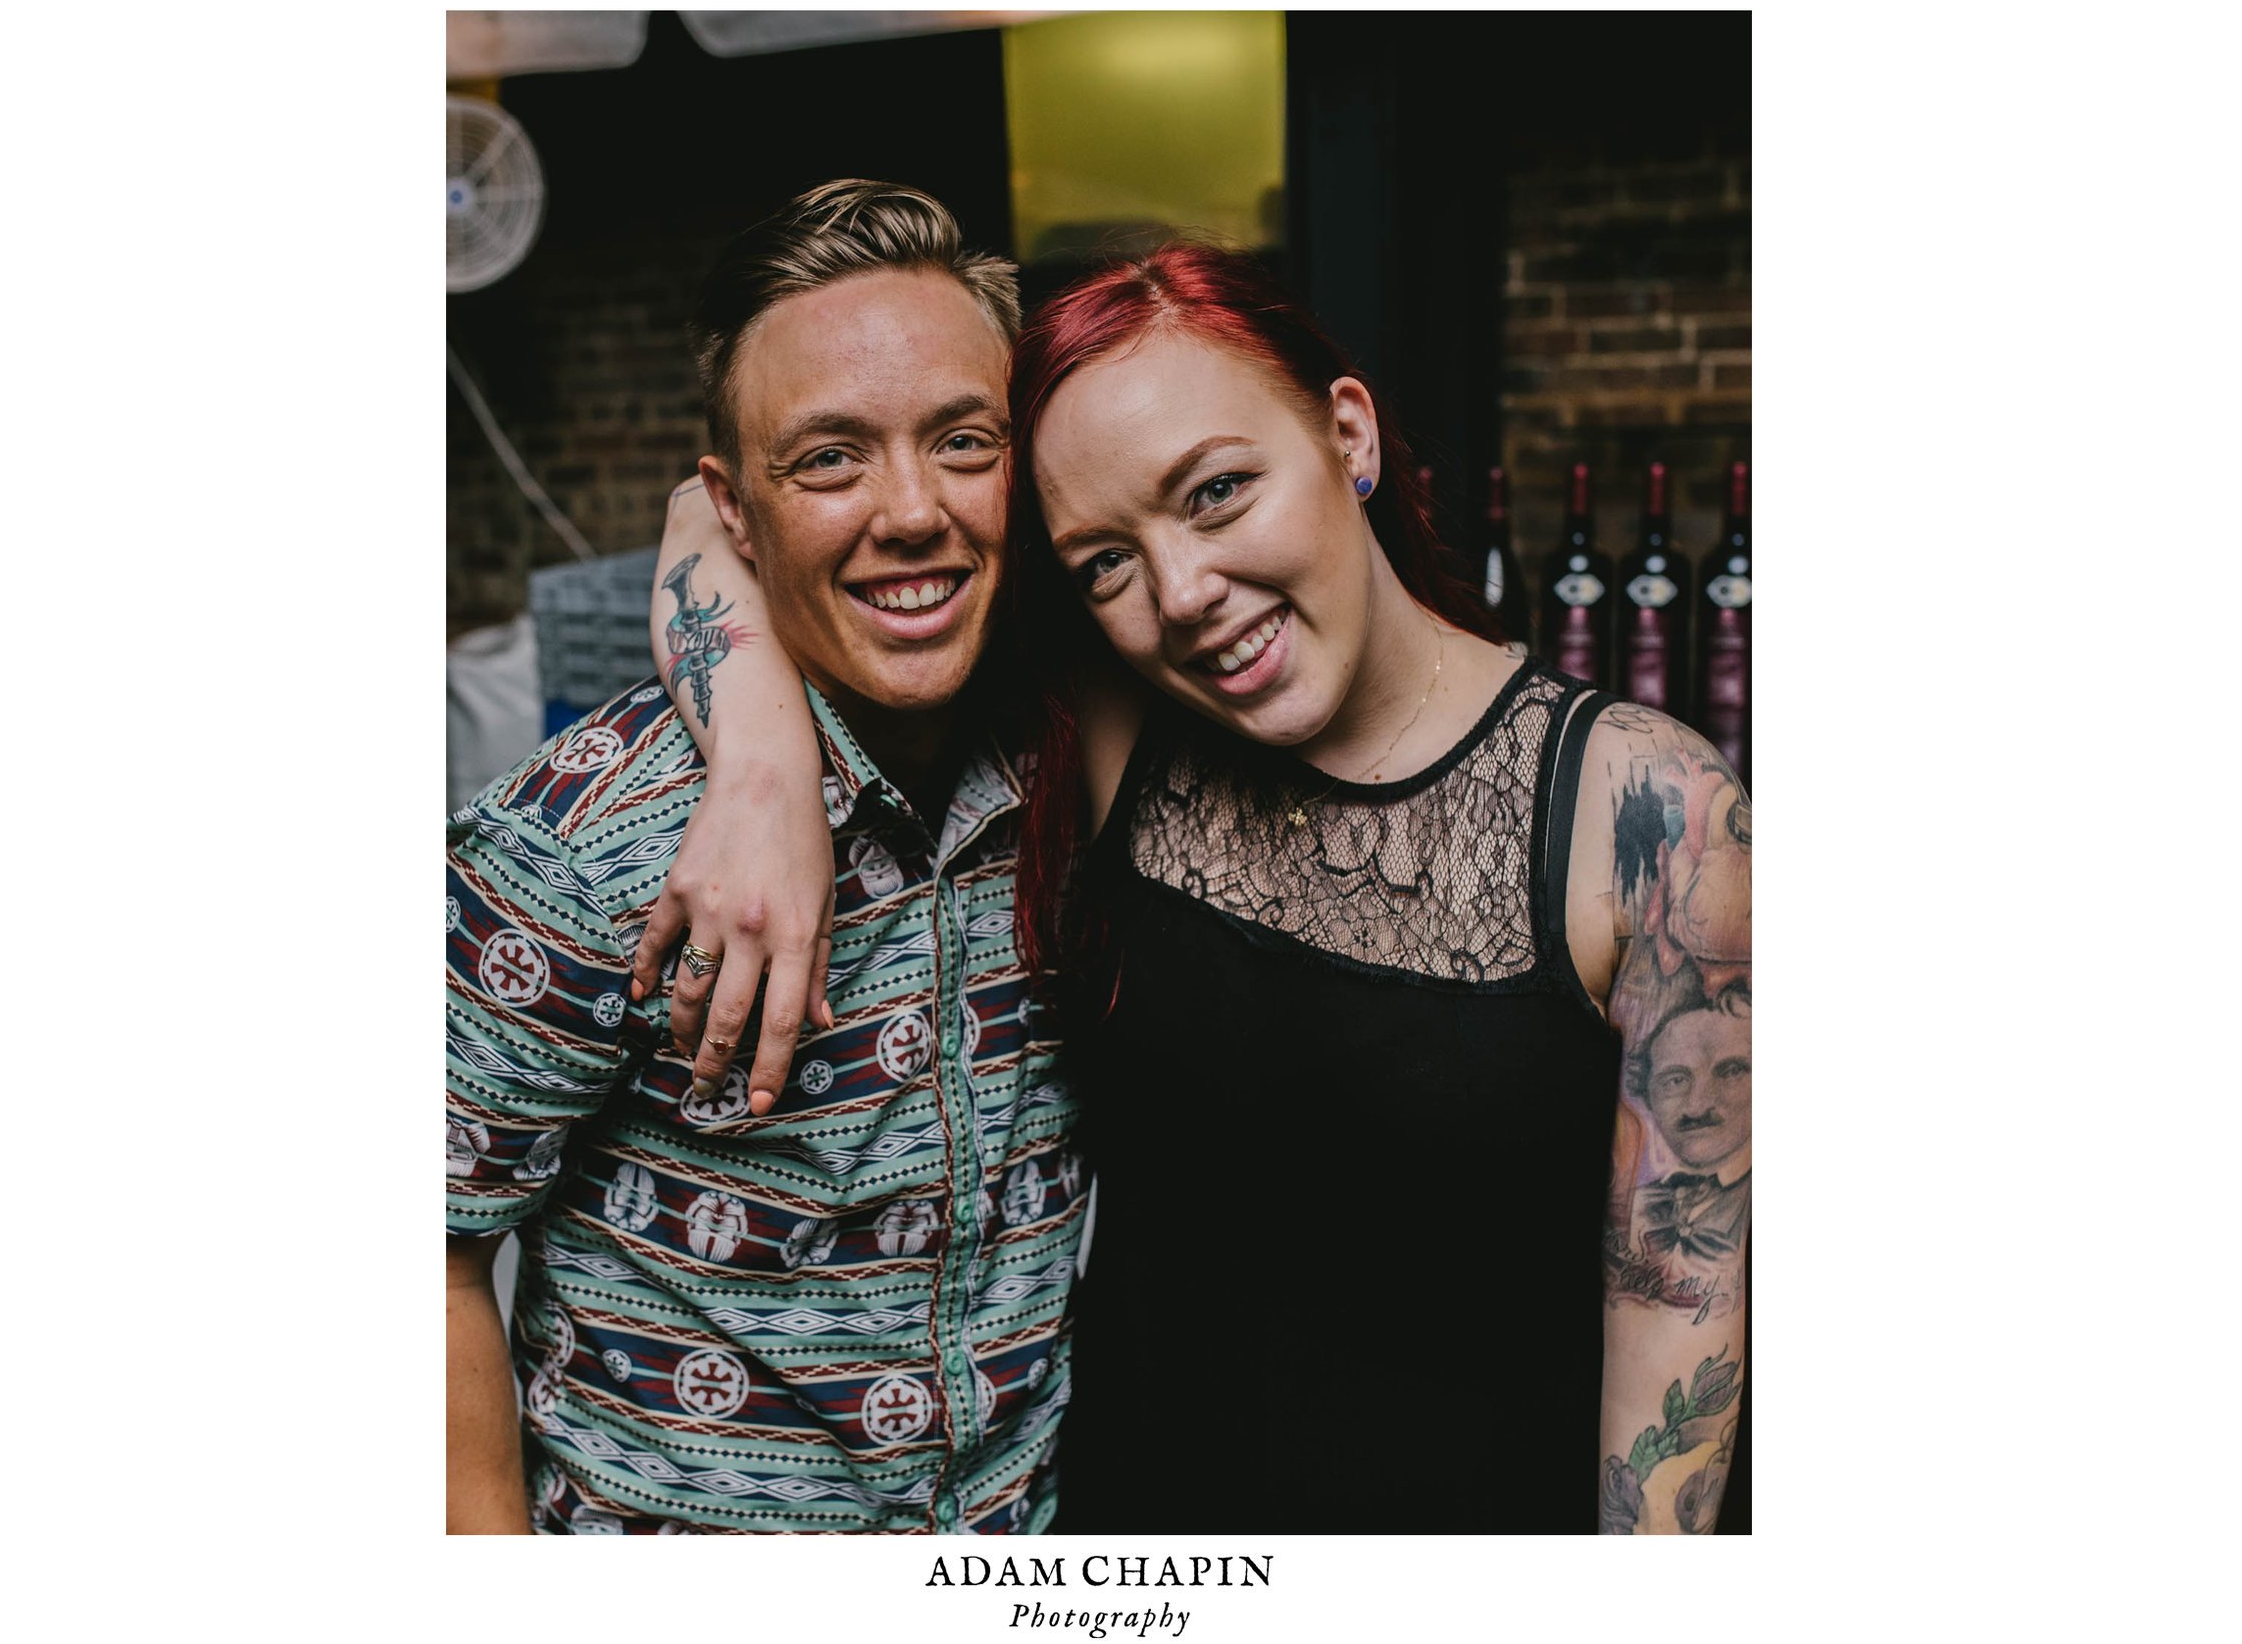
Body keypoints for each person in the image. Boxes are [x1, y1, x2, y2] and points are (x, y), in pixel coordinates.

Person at [638, 242, 1751, 1533]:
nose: (1183, 596)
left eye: (1219, 492)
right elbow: (724, 526)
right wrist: (764, 777)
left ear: (1347, 432)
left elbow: (1683, 1333)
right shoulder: (1123, 722)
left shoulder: (1652, 818)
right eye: (1105, 560)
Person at [445, 180, 1086, 1534]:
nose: (912, 511)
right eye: (831, 459)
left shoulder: (1079, 759)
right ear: (736, 510)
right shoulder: (581, 845)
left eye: (963, 441)